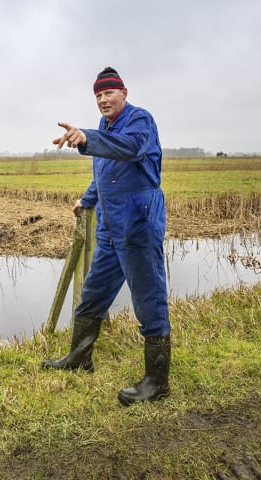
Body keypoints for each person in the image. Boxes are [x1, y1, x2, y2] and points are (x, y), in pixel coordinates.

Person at [43, 67, 172, 406]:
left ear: (124, 93)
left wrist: (86, 137)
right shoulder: (105, 127)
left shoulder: (140, 122)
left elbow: (127, 150)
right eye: (98, 95)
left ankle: (157, 383)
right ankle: (79, 358)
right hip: (111, 230)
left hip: (139, 225)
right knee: (93, 294)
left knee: (149, 301)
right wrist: (87, 199)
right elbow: (105, 171)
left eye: (108, 93)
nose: (103, 99)